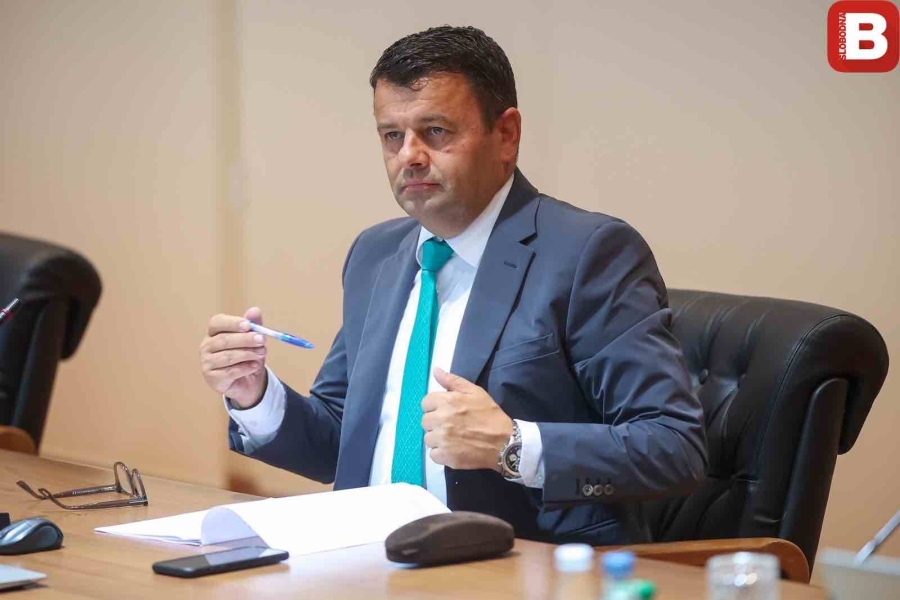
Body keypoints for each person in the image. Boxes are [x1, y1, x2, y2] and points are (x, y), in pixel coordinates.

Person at [198, 25, 707, 545]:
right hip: (363, 558)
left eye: (435, 131)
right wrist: (255, 395)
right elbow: (337, 442)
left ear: (506, 135)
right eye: (392, 136)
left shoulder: (588, 254)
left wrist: (514, 446)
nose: (409, 155)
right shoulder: (375, 255)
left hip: (512, 564)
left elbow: (675, 447)